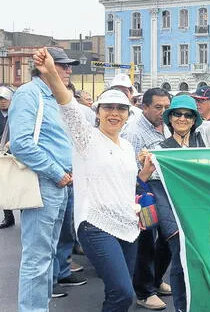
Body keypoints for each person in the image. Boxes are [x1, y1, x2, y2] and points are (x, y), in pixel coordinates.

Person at [33, 47, 150, 311]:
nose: (114, 113)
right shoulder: (86, 139)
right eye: (108, 107)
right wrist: (52, 72)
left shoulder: (128, 147)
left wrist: (145, 173)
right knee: (122, 292)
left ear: (128, 115)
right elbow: (68, 106)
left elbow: (126, 184)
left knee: (121, 292)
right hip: (96, 225)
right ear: (97, 111)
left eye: (121, 108)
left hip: (129, 227)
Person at [145, 72, 210, 312]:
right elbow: (148, 182)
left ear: (194, 119)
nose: (182, 118)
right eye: (178, 114)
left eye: (188, 115)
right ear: (170, 118)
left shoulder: (204, 137)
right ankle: (181, 307)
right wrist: (144, 167)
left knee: (201, 258)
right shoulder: (157, 149)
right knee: (180, 257)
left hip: (199, 208)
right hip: (169, 207)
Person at [9, 47, 77, 308]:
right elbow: (22, 143)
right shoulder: (30, 93)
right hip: (44, 182)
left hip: (58, 184)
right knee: (37, 257)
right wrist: (57, 173)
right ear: (43, 66)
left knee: (47, 255)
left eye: (68, 65)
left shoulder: (53, 97)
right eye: (62, 65)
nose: (68, 70)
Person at [121, 88, 173, 310]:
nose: (163, 112)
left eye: (166, 107)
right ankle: (144, 291)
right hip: (144, 189)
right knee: (146, 239)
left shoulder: (167, 126)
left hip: (166, 187)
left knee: (169, 237)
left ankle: (155, 278)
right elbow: (128, 169)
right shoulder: (133, 132)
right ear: (144, 107)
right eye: (158, 107)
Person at [0, 85, 15, 229]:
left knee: (23, 185)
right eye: (0, 100)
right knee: (3, 186)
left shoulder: (17, 113)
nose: (2, 102)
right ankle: (8, 217)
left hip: (17, 154)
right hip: (2, 154)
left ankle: (25, 213)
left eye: (5, 99)